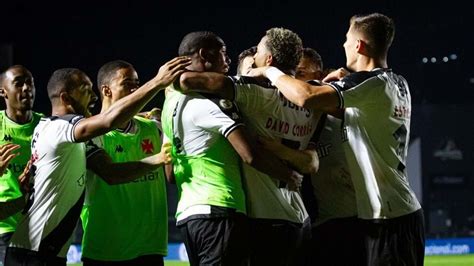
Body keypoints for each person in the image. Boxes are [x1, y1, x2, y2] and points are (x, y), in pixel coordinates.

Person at [248, 13, 425, 265]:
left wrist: (270, 71)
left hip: (389, 217)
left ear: (359, 46)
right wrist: (333, 84)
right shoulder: (397, 82)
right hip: (395, 213)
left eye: (346, 39)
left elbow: (305, 96)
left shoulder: (368, 84)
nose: (343, 45)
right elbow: (343, 107)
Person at [4, 56, 190, 265]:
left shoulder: (48, 126)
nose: (93, 97)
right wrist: (157, 82)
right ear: (66, 98)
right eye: (85, 90)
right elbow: (108, 126)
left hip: (45, 250)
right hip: (35, 252)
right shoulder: (60, 128)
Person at [176, 27, 322, 265]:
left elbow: (187, 80)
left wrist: (258, 73)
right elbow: (311, 161)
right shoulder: (315, 101)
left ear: (269, 59)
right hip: (299, 216)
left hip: (265, 219)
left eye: (259, 52)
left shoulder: (255, 93)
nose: (254, 58)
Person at [80, 60, 171, 265]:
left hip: (150, 248)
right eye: (127, 83)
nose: (135, 88)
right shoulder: (90, 133)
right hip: (105, 251)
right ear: (106, 90)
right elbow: (111, 174)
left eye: (137, 83)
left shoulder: (154, 127)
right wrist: (157, 159)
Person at [0, 65, 43, 264]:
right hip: (6, 226)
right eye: (19, 83)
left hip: (42, 224)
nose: (27, 88)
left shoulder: (47, 126)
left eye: (30, 83)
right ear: (3, 91)